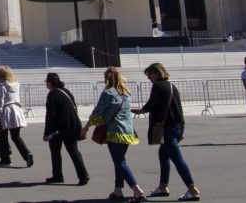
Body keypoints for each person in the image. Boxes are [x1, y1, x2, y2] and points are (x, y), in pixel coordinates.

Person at [133, 63, 199, 201]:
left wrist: (140, 111)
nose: (149, 78)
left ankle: (192, 189)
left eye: (150, 75)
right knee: (163, 154)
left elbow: (151, 104)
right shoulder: (171, 86)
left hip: (168, 127)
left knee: (177, 159)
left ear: (157, 73)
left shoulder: (158, 86)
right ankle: (163, 186)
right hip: (178, 125)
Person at [81, 67, 146, 203]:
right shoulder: (126, 93)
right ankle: (118, 190)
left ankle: (136, 190)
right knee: (119, 160)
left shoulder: (108, 93)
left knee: (120, 162)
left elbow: (97, 112)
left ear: (107, 79)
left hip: (114, 131)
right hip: (128, 132)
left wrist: (86, 127)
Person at [43, 72, 88, 185]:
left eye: (47, 83)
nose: (46, 85)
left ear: (50, 83)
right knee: (73, 150)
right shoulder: (66, 92)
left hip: (58, 128)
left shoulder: (52, 94)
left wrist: (47, 133)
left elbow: (50, 115)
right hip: (72, 125)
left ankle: (58, 175)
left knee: (55, 151)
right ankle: (83, 175)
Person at [0, 66, 33, 167]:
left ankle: (6, 158)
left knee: (3, 135)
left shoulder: (1, 86)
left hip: (6, 112)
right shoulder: (16, 84)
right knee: (16, 136)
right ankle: (27, 154)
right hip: (16, 110)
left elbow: (0, 103)